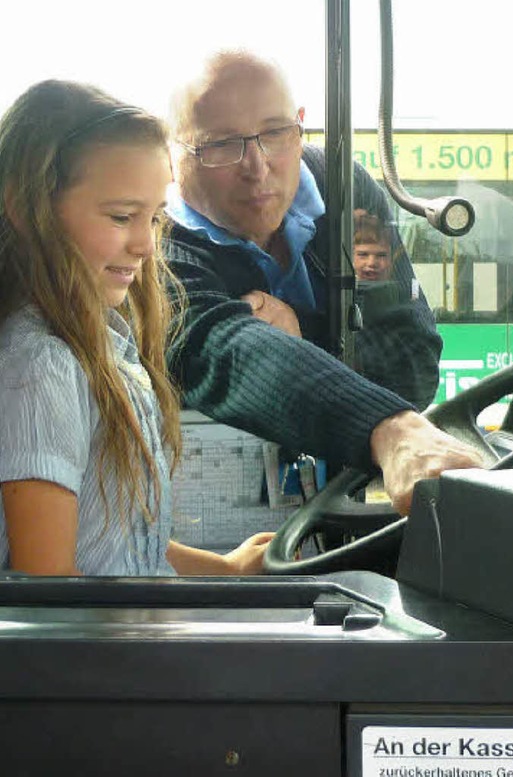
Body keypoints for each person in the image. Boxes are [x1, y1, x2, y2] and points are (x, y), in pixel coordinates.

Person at [165, 49, 483, 515]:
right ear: (172, 153)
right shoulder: (154, 235)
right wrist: (388, 429)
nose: (256, 166)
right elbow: (220, 349)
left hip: (341, 501)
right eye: (219, 145)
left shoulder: (344, 189)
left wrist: (301, 332)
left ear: (299, 126)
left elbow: (412, 363)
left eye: (275, 133)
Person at [0, 79, 273, 576]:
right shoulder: (43, 366)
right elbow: (49, 593)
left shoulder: (101, 349)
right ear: (27, 210)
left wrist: (228, 570)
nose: (147, 246)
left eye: (154, 218)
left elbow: (122, 543)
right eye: (123, 216)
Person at [352, 209, 395, 282]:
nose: (372, 263)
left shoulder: (404, 290)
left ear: (391, 260)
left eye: (381, 255)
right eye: (363, 254)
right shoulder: (341, 292)